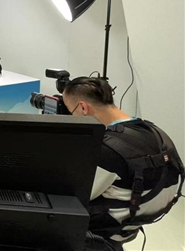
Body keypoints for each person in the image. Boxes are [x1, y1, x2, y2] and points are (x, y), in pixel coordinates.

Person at [62, 77, 184, 251]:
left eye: (70, 111)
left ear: (83, 108)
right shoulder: (155, 131)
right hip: (139, 216)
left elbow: (75, 194)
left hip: (106, 229)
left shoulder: (105, 150)